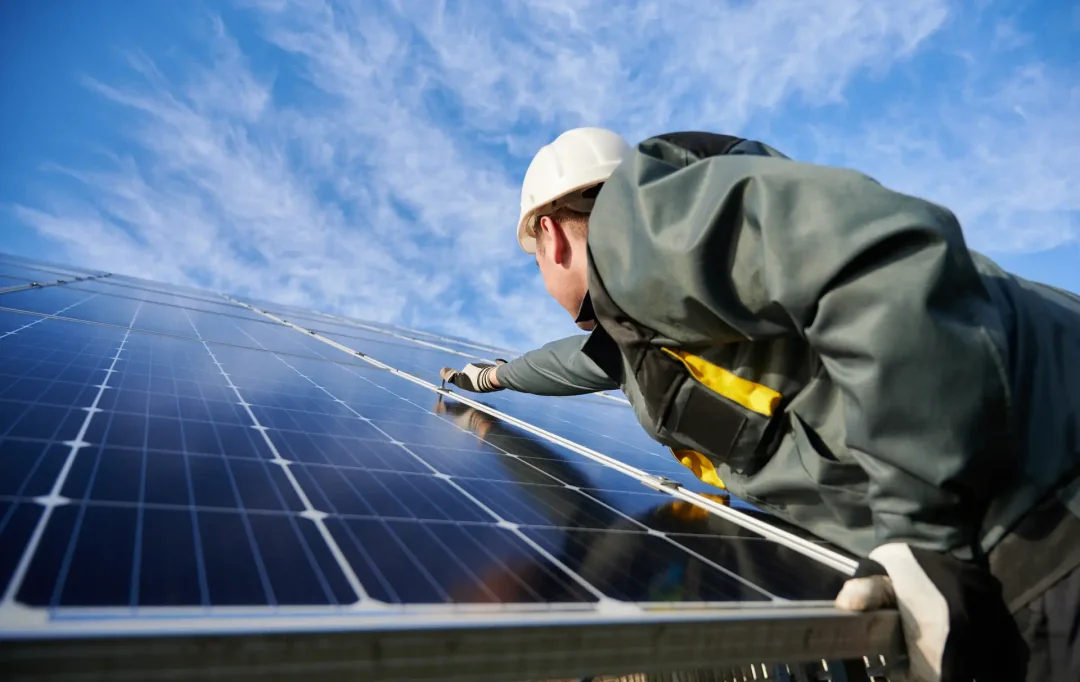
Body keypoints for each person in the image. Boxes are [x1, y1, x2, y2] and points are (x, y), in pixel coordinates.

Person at [439, 128, 1080, 682]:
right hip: (1023, 518)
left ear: (551, 235)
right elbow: (564, 365)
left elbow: (884, 263)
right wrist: (489, 377)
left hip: (1037, 512)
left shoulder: (637, 232)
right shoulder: (644, 324)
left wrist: (922, 534)